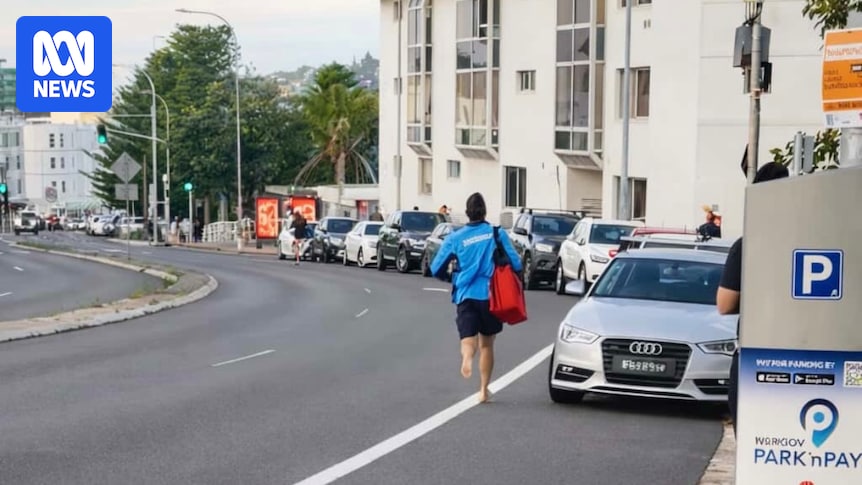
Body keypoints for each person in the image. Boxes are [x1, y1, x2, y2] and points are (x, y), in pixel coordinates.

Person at [717, 161, 789, 435]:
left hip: (755, 354)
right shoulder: (813, 240)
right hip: (806, 354)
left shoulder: (748, 245)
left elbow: (725, 305)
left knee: (753, 438)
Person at [430, 193, 522, 403]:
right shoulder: (496, 233)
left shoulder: (455, 237)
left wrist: (450, 277)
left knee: (467, 339)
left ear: (467, 213)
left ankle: (467, 357)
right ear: (484, 211)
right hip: (491, 295)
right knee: (487, 344)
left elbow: (435, 268)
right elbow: (516, 263)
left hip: (465, 294)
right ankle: (483, 390)